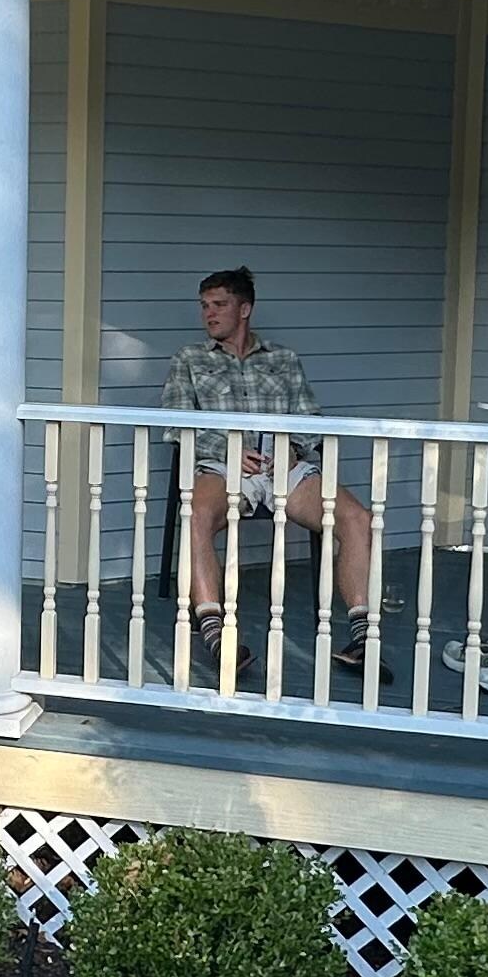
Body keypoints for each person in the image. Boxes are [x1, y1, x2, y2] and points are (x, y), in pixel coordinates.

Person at [160, 267, 377, 675]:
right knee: (195, 516)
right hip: (223, 466)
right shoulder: (189, 359)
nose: (209, 314)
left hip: (284, 468)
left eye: (219, 305)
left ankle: (363, 638)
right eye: (204, 306)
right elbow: (174, 423)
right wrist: (227, 449)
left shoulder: (283, 360)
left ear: (244, 309)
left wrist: (293, 448)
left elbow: (311, 418)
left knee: (357, 518)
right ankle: (216, 636)